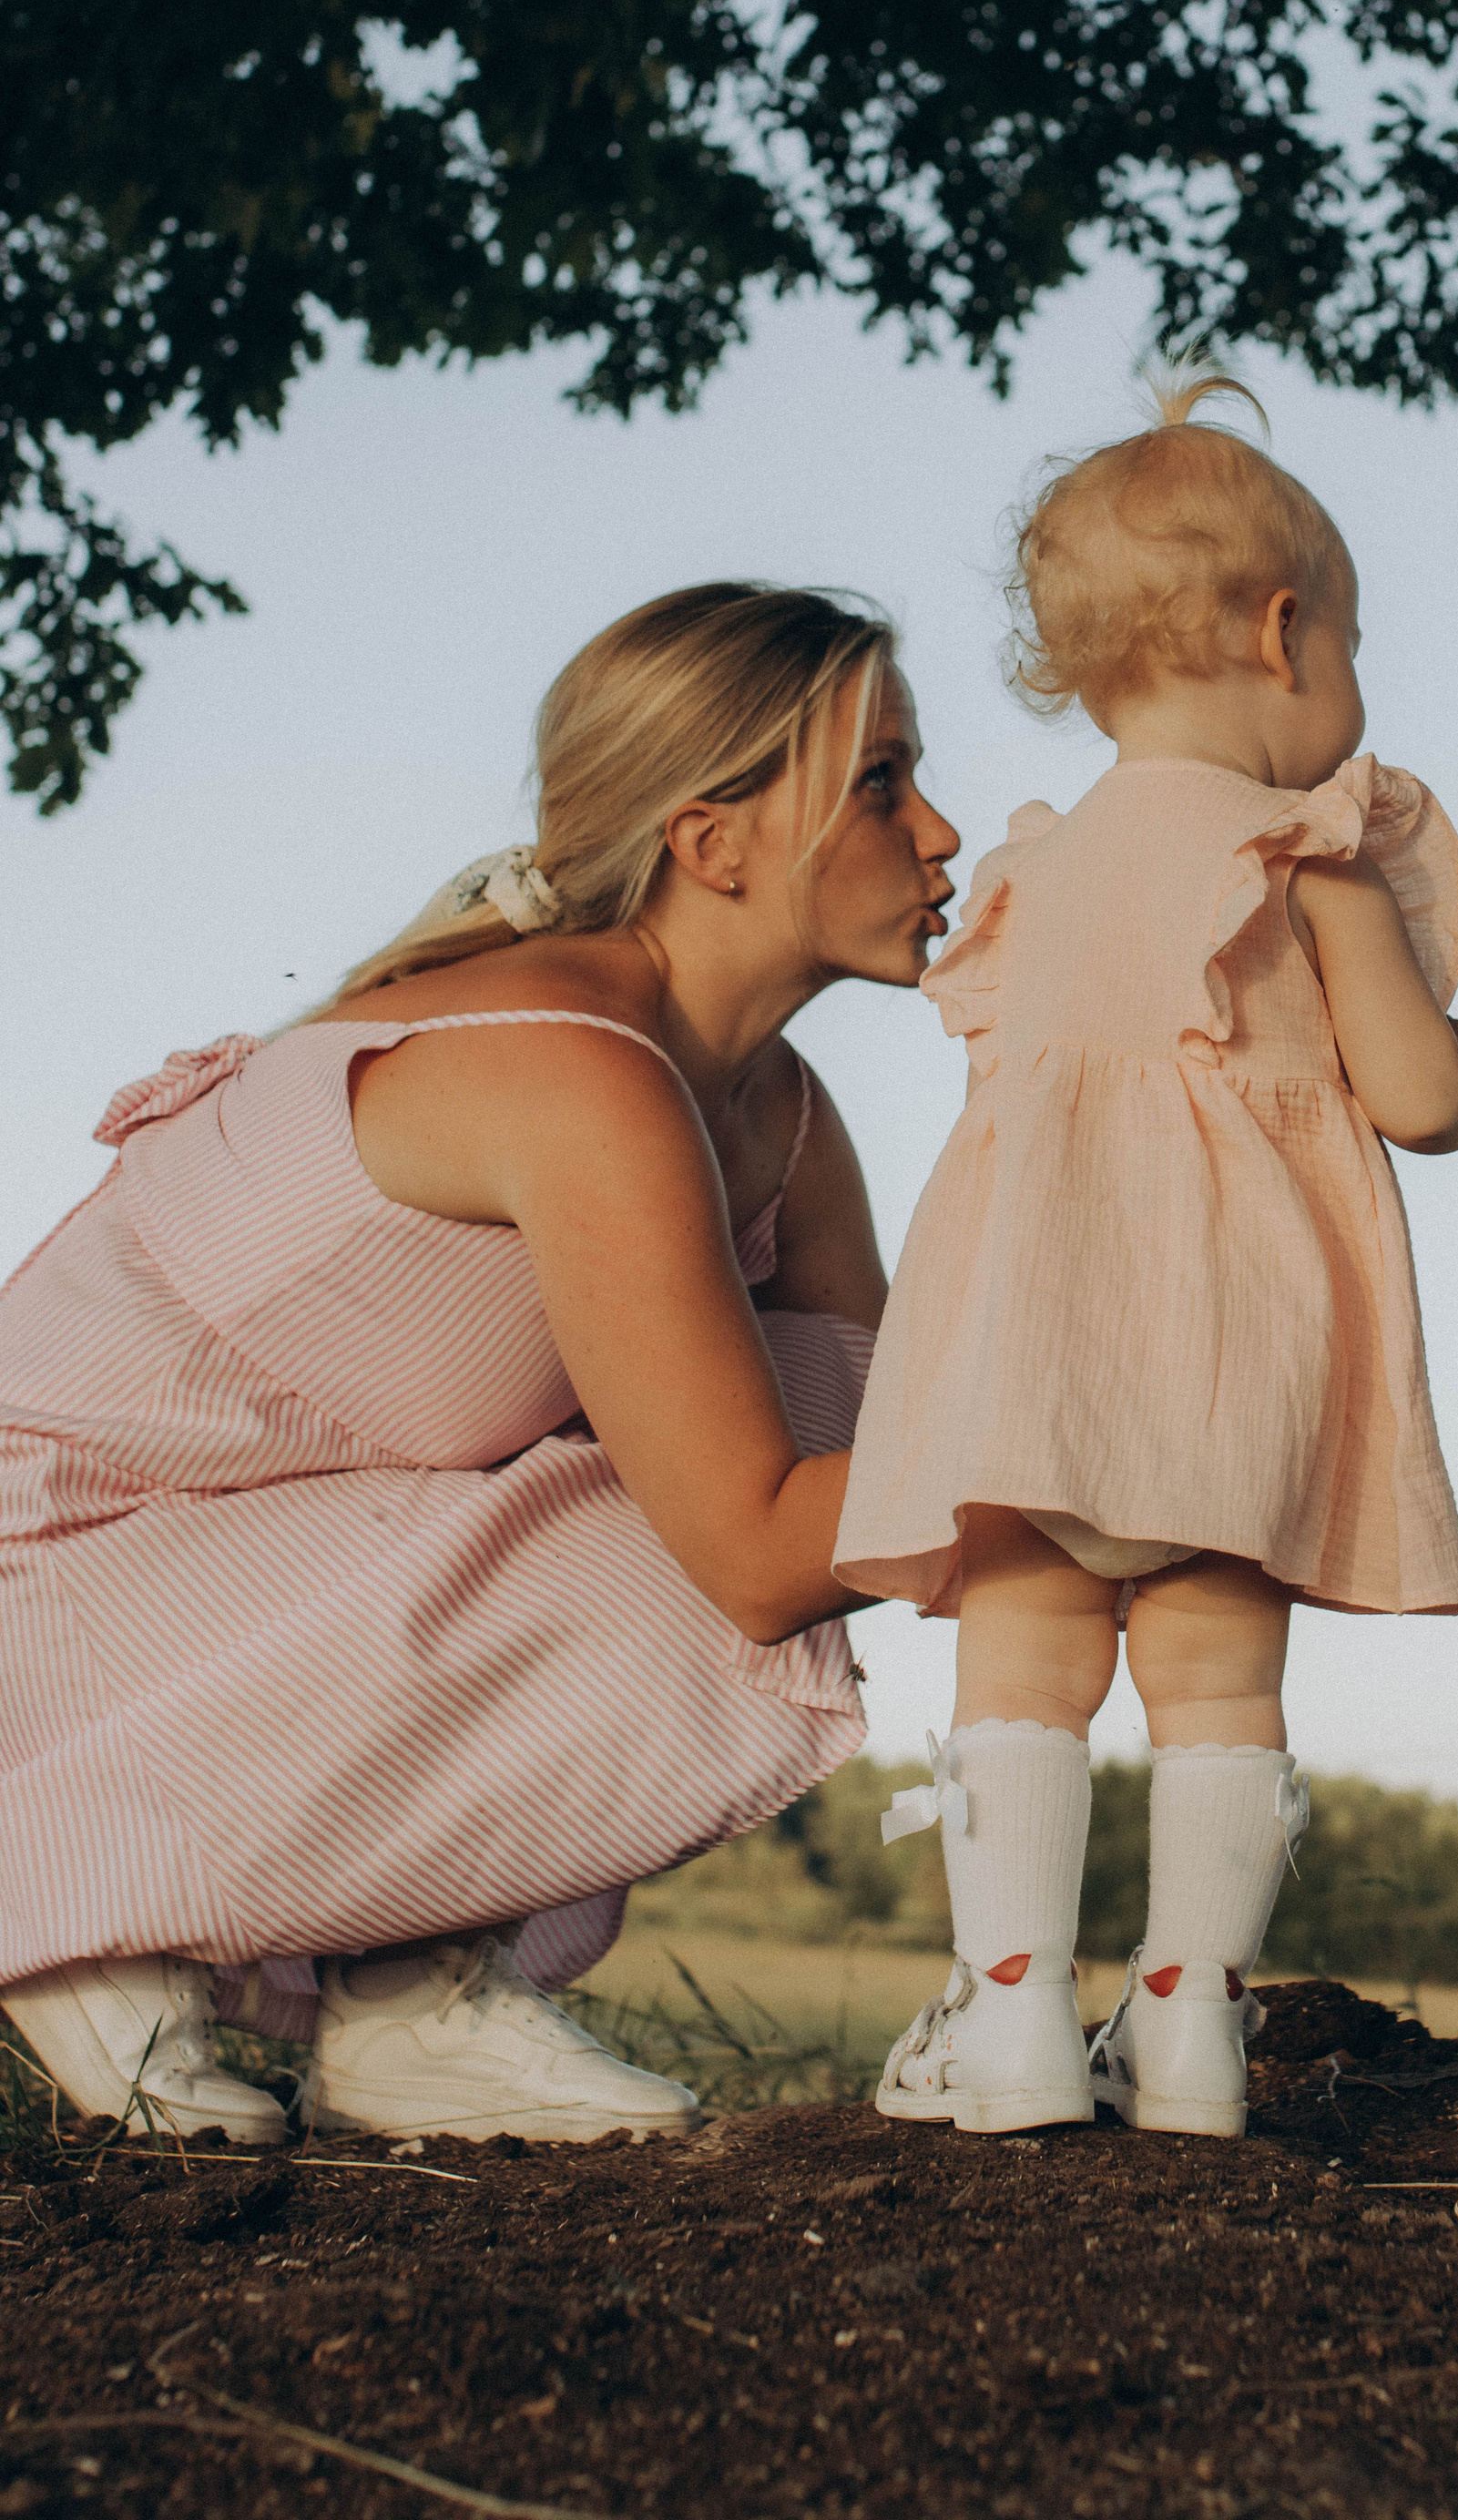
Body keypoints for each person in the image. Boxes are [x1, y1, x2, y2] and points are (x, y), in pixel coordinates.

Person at [0, 584, 958, 2148]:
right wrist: (1129, 1472)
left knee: (808, 1425)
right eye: (881, 782)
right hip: (48, 1582)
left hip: (262, 1564)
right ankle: (68, 1901)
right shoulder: (581, 1078)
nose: (941, 832)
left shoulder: (778, 1112)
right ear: (713, 843)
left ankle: (414, 1997)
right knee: (715, 1539)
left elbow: (891, 1430)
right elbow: (771, 1554)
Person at [834, 380, 1458, 2138]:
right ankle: (1193, 2032)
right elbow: (1424, 1101)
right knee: (1219, 1673)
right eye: (1352, 641)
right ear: (1287, 636)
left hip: (1042, 1343)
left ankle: (1011, 2027)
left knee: (1025, 1656)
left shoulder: (1026, 881)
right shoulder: (1312, 852)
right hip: (1241, 1344)